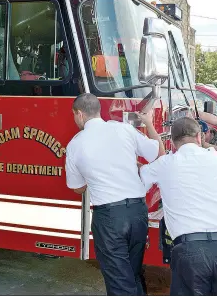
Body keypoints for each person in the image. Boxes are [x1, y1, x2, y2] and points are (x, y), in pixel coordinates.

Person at [139, 117, 217, 296]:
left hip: (189, 251)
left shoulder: (165, 164)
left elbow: (142, 178)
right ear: (199, 137)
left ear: (174, 142)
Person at [65, 93, 165, 295]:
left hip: (109, 218)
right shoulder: (124, 129)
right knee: (132, 274)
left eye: (74, 116)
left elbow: (77, 187)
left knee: (120, 283)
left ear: (79, 114)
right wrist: (150, 125)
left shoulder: (75, 145)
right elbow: (158, 153)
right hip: (138, 213)